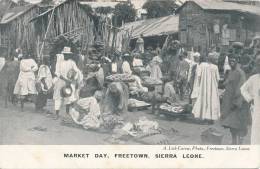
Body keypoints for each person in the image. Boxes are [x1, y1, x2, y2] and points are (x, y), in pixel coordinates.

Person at [221, 56, 250, 144]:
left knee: (238, 124)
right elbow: (226, 83)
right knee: (230, 125)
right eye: (230, 61)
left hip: (237, 103)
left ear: (237, 61)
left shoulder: (240, 73)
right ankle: (234, 141)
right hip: (228, 102)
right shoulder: (230, 72)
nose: (231, 63)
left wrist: (236, 102)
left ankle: (239, 143)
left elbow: (241, 89)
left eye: (233, 61)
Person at [53, 47, 83, 119]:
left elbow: (77, 71)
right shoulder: (59, 62)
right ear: (63, 54)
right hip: (60, 80)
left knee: (69, 96)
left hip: (69, 82)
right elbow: (57, 72)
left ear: (69, 55)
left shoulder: (72, 62)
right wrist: (65, 79)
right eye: (65, 54)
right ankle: (57, 114)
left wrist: (74, 78)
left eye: (68, 54)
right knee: (58, 97)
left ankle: (67, 112)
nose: (66, 56)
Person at [192, 55, 220, 123]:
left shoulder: (202, 65)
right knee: (212, 101)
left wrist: (197, 86)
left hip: (203, 87)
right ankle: (211, 117)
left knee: (203, 100)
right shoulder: (215, 67)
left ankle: (203, 116)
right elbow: (218, 78)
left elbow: (198, 76)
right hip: (212, 87)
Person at [240, 54, 260, 144]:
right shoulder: (254, 78)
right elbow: (243, 89)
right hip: (257, 108)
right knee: (256, 129)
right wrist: (250, 99)